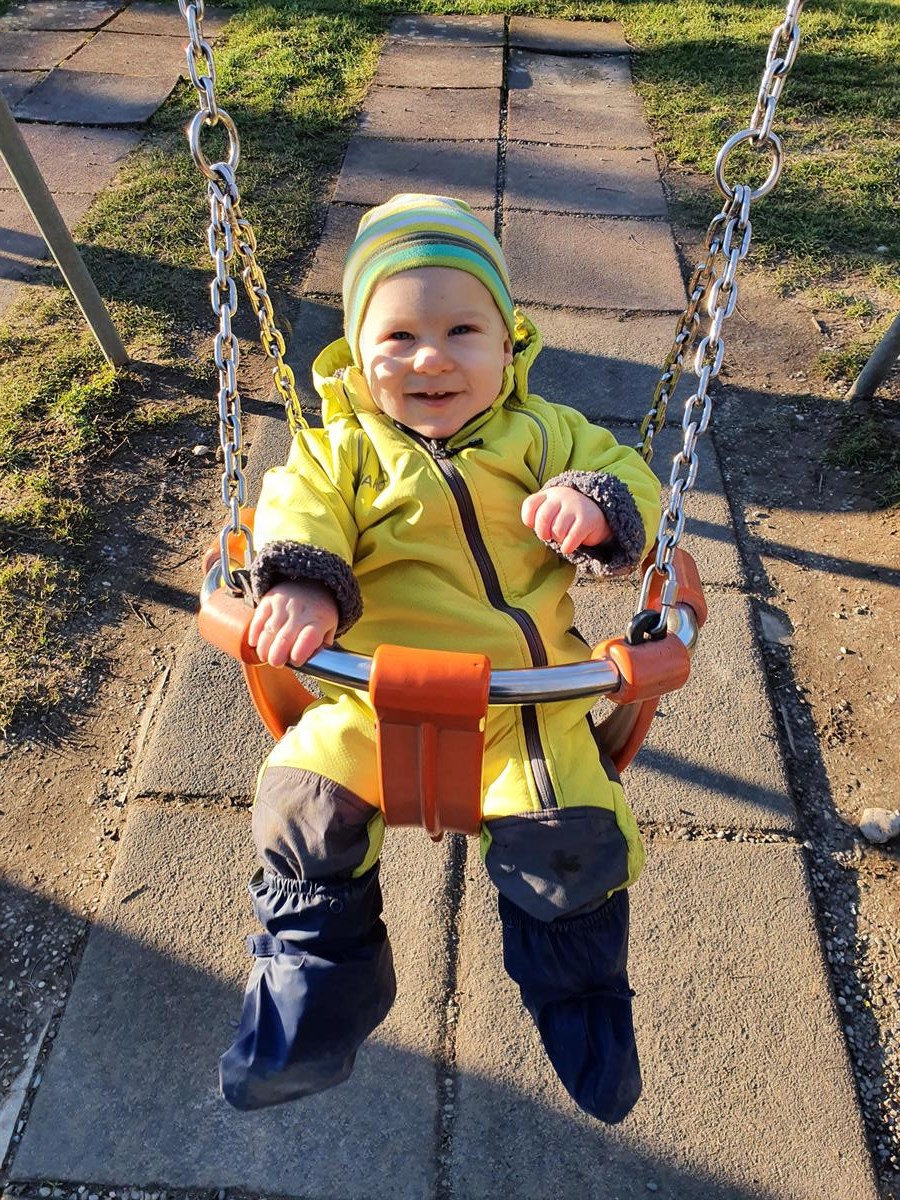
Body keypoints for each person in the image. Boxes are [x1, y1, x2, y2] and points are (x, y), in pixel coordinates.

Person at [219, 194, 661, 1121]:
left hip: (527, 710)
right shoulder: (338, 450)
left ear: (509, 345)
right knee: (297, 811)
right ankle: (315, 1003)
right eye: (398, 336)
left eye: (463, 329)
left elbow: (636, 479)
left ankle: (582, 1007)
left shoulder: (544, 436)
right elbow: (296, 511)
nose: (431, 357)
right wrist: (298, 584)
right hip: (366, 704)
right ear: (356, 349)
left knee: (574, 842)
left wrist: (596, 504)